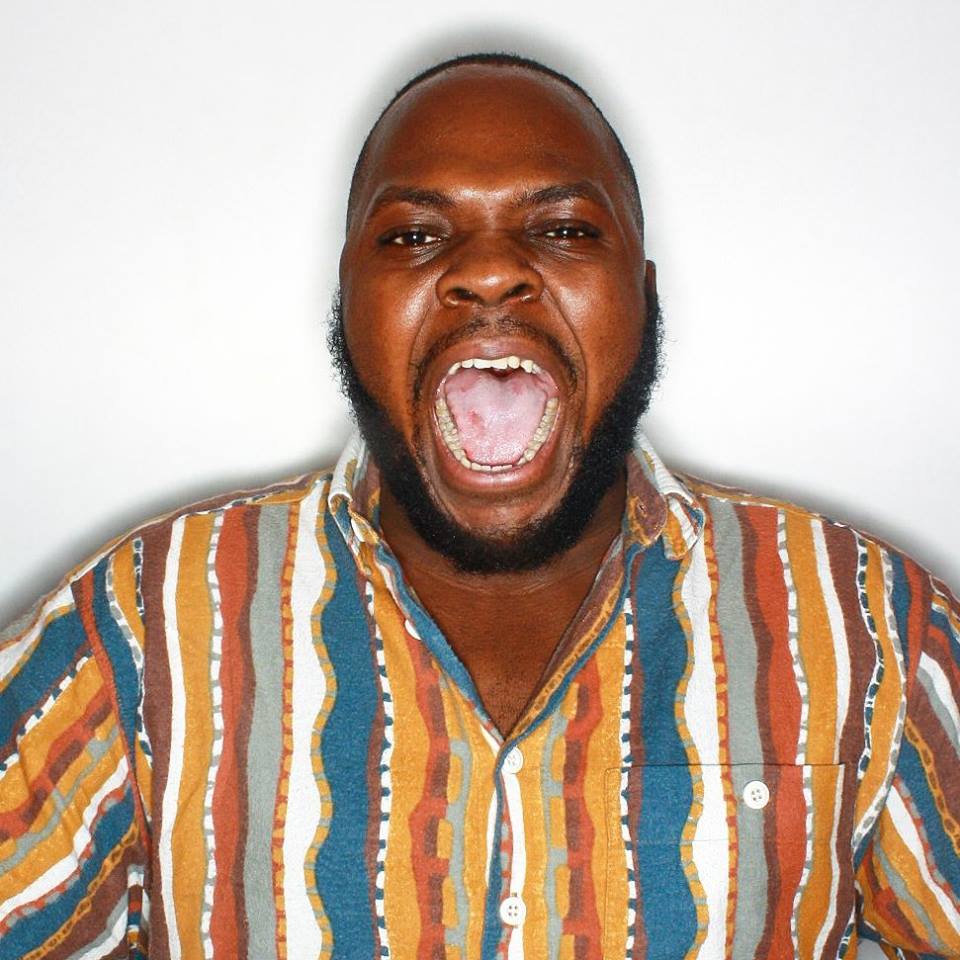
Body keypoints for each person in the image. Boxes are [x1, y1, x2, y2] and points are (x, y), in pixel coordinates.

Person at [1, 51, 957, 960]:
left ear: (644, 294)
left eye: (565, 229)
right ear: (347, 300)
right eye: (414, 235)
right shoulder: (133, 628)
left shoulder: (875, 626)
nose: (490, 271)